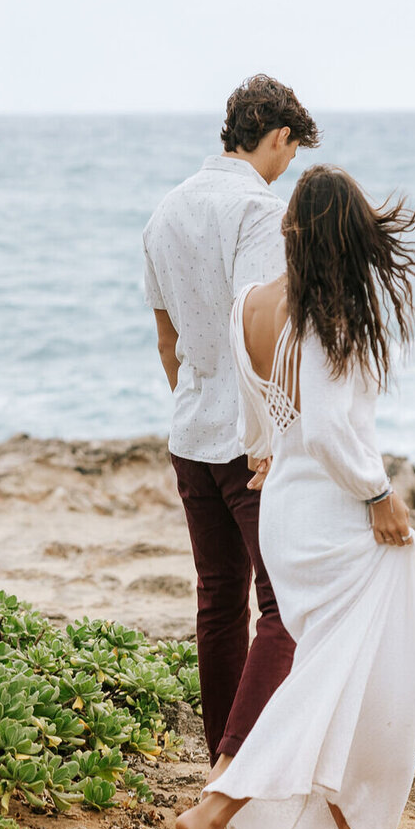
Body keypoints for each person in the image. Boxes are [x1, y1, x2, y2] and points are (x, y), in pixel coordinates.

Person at [175, 164, 415, 829]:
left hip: (285, 508)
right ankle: (216, 807)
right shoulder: (331, 309)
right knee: (350, 666)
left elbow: (254, 417)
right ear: (343, 235)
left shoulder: (248, 304)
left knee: (340, 672)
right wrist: (378, 492)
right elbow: (323, 424)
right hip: (330, 508)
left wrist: (265, 454)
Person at [142, 75, 320, 775]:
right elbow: (263, 329)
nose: (288, 167)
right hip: (249, 444)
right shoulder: (259, 209)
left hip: (190, 433)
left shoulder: (165, 211)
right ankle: (234, 765)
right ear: (278, 137)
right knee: (284, 607)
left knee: (219, 601)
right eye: (292, 152)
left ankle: (221, 752)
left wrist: (198, 407)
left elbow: (168, 341)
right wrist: (269, 437)